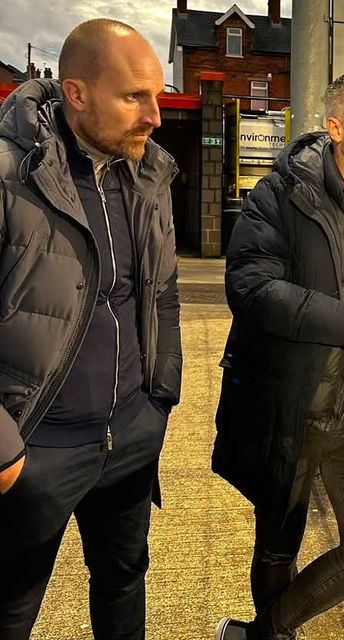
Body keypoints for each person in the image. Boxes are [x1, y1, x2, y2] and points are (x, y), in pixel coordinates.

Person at [212, 72, 344, 640]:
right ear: (336, 127)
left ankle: (262, 633)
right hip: (294, 403)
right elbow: (251, 289)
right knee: (278, 546)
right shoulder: (279, 192)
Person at [0, 19, 182, 640]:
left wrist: (158, 400)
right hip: (34, 450)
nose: (154, 116)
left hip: (129, 435)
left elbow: (161, 292)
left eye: (156, 95)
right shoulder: (9, 174)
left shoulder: (147, 175)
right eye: (134, 97)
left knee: (125, 584)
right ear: (75, 93)